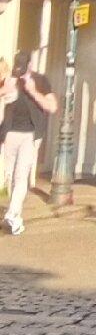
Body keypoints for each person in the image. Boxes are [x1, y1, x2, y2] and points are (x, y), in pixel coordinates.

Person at [1, 57, 59, 236]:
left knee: (21, 175)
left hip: (29, 135)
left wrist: (33, 91)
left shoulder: (41, 81)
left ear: (30, 66)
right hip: (9, 134)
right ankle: (14, 215)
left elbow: (52, 107)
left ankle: (12, 214)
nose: (19, 72)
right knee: (8, 175)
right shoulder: (11, 80)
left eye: (23, 69)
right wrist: (5, 90)